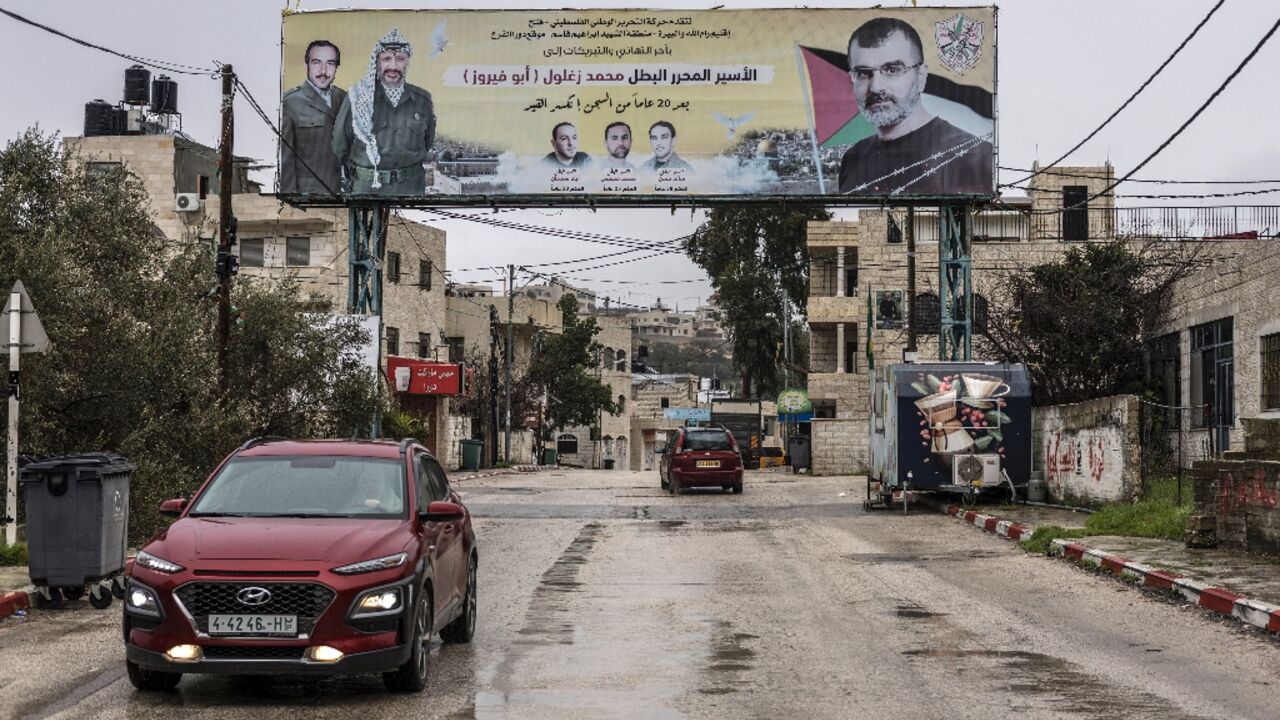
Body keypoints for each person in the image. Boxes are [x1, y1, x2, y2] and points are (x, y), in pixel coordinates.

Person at [838, 17, 991, 196]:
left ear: (921, 77)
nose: (876, 87)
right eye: (863, 73)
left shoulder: (975, 157)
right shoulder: (853, 158)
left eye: (892, 70)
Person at [333, 27, 437, 195]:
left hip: (410, 190)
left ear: (407, 62)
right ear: (377, 62)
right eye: (386, 59)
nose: (393, 66)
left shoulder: (422, 100)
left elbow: (427, 141)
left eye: (400, 59)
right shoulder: (358, 97)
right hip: (367, 189)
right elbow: (340, 146)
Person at [280, 40, 346, 195]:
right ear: (306, 65)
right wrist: (290, 199)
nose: (323, 71)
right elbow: (286, 158)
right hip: (309, 197)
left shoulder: (344, 99)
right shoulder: (290, 103)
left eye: (330, 63)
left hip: (343, 197)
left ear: (337, 67)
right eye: (316, 63)